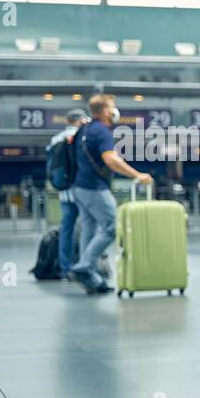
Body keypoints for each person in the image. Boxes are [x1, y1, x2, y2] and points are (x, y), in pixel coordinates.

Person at [67, 94, 154, 294]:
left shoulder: (84, 128)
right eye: (113, 107)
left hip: (78, 187)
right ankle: (84, 266)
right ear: (106, 111)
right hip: (94, 188)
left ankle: (92, 278)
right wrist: (138, 175)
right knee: (111, 227)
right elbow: (111, 160)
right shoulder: (101, 131)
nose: (115, 111)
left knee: (89, 230)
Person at [48, 108, 88, 279]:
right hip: (84, 190)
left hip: (64, 192)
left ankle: (66, 269)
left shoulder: (55, 139)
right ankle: (85, 266)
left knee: (66, 229)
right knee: (88, 228)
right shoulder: (83, 137)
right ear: (80, 120)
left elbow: (52, 167)